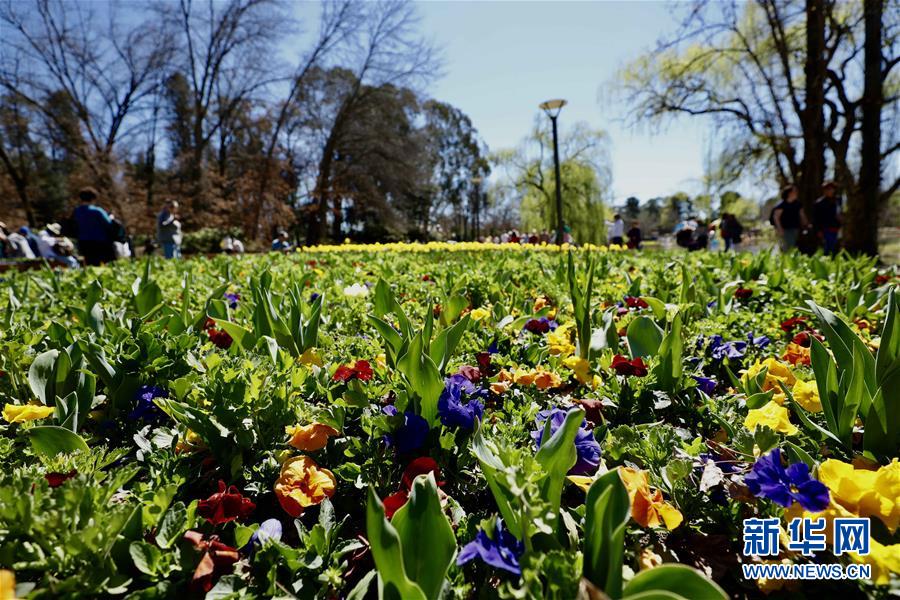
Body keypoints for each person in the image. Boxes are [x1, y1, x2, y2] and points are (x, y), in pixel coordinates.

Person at [72, 187, 115, 266]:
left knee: (90, 264)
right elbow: (108, 223)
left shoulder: (77, 211)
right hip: (100, 241)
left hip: (83, 242)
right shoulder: (97, 211)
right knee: (104, 263)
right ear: (93, 198)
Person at [771, 185, 807, 252]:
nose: (796, 193)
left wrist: (806, 225)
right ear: (789, 193)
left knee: (795, 247)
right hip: (785, 230)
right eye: (795, 191)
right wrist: (780, 229)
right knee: (786, 248)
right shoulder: (781, 205)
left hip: (796, 229)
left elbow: (802, 215)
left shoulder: (798, 204)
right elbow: (776, 217)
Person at [812, 181, 842, 255]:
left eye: (832, 189)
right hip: (825, 228)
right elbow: (816, 218)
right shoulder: (819, 203)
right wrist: (818, 230)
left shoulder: (837, 200)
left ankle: (833, 261)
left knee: (835, 246)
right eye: (828, 189)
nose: (830, 191)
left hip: (836, 227)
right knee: (826, 246)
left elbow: (839, 212)